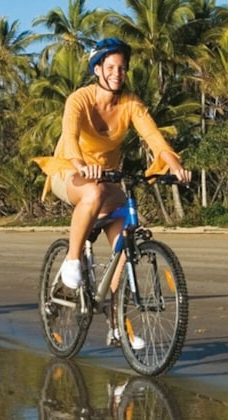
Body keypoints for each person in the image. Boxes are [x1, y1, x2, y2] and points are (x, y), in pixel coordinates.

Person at [32, 37, 191, 347]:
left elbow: (154, 138)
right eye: (111, 67)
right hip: (70, 170)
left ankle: (117, 325)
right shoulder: (79, 99)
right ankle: (72, 261)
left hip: (107, 177)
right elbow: (71, 136)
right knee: (92, 194)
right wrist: (81, 165)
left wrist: (175, 166)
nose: (117, 73)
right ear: (98, 70)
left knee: (127, 241)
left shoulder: (130, 103)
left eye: (122, 68)